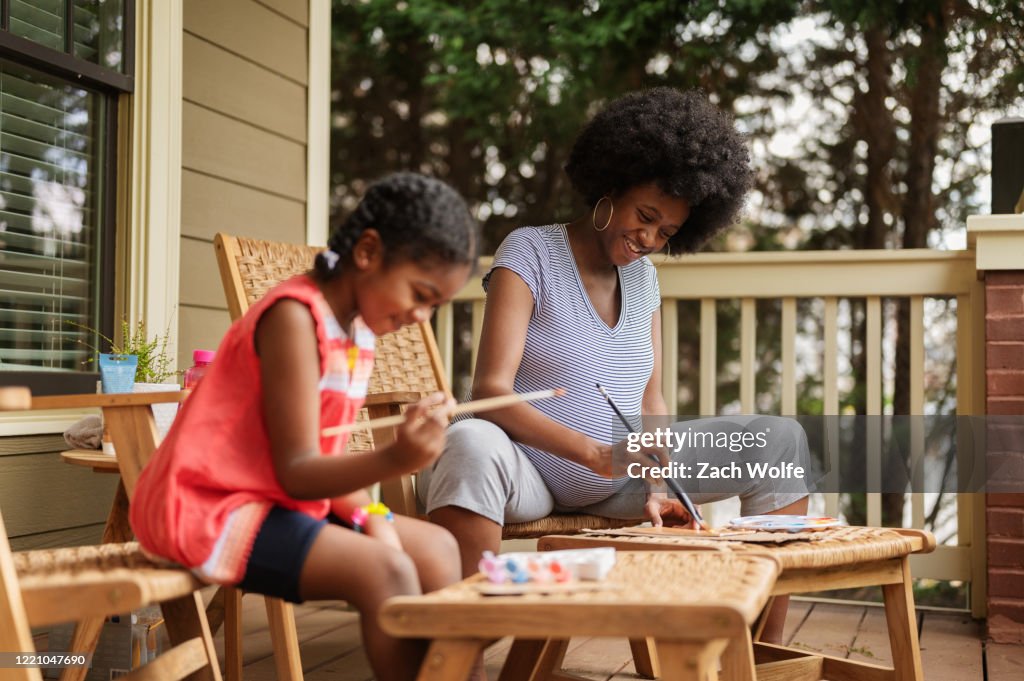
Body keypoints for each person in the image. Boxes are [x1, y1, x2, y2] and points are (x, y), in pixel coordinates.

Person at [419, 88, 810, 642]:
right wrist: (593, 453)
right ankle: (465, 657)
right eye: (644, 216)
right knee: (470, 441)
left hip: (618, 479)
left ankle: (763, 651)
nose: (649, 239)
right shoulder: (529, 253)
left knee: (780, 440)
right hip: (530, 475)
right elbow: (492, 389)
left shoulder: (646, 278)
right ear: (611, 184)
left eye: (667, 232)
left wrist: (657, 485)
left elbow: (652, 401)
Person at [130, 173, 479, 681]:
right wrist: (396, 461)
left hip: (281, 502)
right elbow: (297, 470)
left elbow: (331, 459)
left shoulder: (357, 335)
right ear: (367, 251)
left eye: (436, 306)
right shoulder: (294, 318)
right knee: (386, 570)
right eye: (420, 294)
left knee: (437, 548)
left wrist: (377, 521)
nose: (422, 317)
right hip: (210, 507)